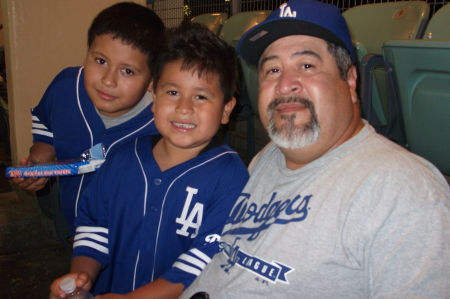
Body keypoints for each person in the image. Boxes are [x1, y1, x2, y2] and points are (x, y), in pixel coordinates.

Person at [181, 0, 450, 298]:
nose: (284, 85)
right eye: (271, 69)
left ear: (349, 80)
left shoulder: (405, 193)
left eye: (307, 65)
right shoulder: (268, 157)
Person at [49, 21, 249, 299]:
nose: (184, 108)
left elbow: (204, 260)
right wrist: (82, 276)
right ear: (153, 96)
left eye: (201, 96)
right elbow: (94, 226)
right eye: (173, 92)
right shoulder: (121, 158)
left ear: (226, 109)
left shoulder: (231, 176)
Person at [12, 2, 165, 235]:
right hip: (73, 232)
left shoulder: (162, 125)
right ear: (86, 55)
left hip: (131, 244)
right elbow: (46, 120)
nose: (108, 80)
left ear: (152, 81)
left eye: (128, 71)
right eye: (101, 61)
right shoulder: (65, 88)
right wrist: (40, 159)